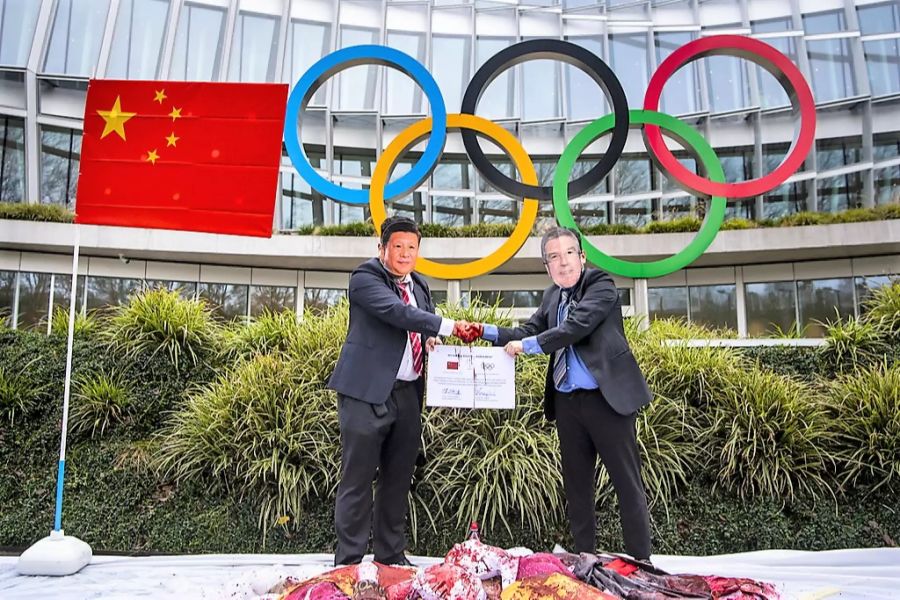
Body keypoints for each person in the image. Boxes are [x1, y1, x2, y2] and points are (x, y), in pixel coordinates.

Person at [475, 226, 653, 561]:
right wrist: (484, 331)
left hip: (607, 400)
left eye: (570, 253)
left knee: (627, 483)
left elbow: (575, 327)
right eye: (554, 257)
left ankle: (642, 563)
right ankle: (586, 559)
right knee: (576, 486)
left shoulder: (600, 284)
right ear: (547, 265)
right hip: (568, 403)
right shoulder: (551, 296)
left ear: (582, 257)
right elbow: (528, 329)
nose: (563, 262)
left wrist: (528, 346)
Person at [327, 215, 477, 567]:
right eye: (397, 246)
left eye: (412, 247)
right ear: (382, 249)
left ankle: (390, 555)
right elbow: (398, 313)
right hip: (366, 394)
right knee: (357, 480)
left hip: (408, 394)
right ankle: (348, 562)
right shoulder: (364, 277)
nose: (405, 253)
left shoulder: (421, 285)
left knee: (398, 479)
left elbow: (421, 325)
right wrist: (450, 325)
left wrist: (433, 340)